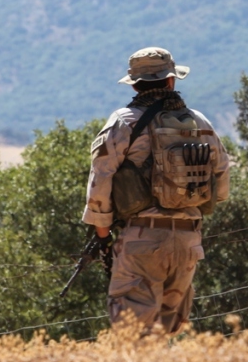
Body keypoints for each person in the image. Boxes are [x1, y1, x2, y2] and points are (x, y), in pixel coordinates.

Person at [82, 47, 230, 334]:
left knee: (133, 334)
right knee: (166, 333)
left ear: (135, 84)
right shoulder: (200, 122)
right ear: (172, 81)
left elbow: (100, 181)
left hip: (141, 240)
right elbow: (221, 187)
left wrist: (104, 239)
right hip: (188, 242)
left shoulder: (124, 122)